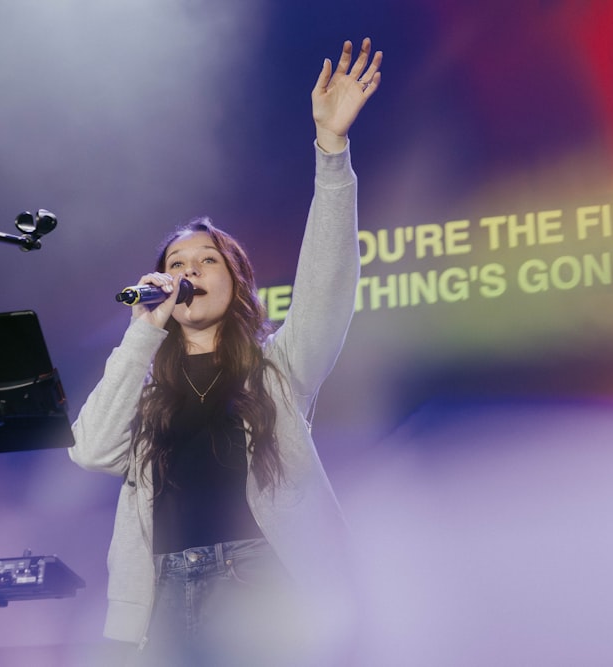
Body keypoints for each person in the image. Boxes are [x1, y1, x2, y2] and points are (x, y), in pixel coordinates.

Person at [69, 38, 382, 666]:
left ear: (236, 281)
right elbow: (91, 451)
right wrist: (142, 330)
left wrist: (332, 153)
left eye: (207, 260)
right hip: (160, 596)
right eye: (176, 263)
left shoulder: (276, 369)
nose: (189, 270)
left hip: (259, 584)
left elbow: (327, 281)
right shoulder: (146, 380)